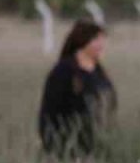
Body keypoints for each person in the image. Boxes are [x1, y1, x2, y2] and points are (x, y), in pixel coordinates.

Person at [38, 19, 117, 156]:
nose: (101, 45)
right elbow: (50, 110)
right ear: (82, 41)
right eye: (96, 40)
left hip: (96, 141)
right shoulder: (63, 71)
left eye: (102, 40)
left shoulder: (99, 70)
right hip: (68, 143)